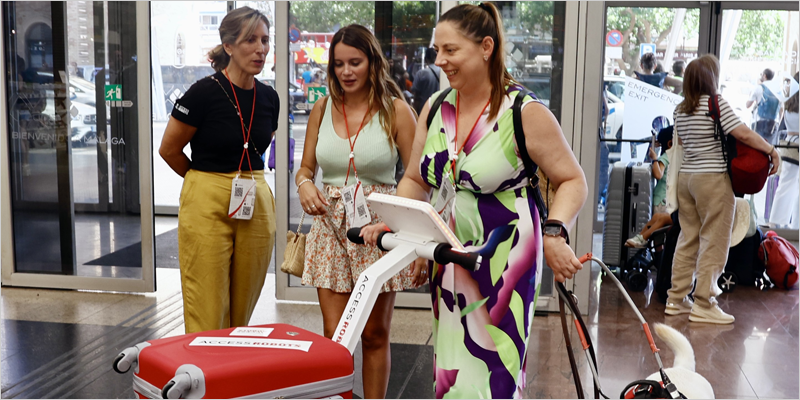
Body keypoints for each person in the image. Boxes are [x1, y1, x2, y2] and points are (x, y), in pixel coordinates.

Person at [360, 3, 587, 398]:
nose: (439, 60)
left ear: (486, 47)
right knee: (450, 367)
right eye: (437, 51)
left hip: (506, 257)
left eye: (450, 50)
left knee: (494, 370)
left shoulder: (523, 112)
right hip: (449, 250)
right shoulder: (435, 108)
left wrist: (555, 232)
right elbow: (416, 178)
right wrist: (400, 224)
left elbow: (572, 180)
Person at [295, 24, 420, 400]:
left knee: (374, 333)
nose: (346, 72)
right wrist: (304, 185)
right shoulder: (322, 107)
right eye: (338, 64)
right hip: (330, 225)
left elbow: (417, 177)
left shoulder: (396, 110)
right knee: (336, 335)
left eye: (355, 62)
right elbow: (304, 169)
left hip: (376, 228)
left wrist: (408, 233)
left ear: (372, 63)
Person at [159, 7, 278, 333]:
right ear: (228, 46)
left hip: (253, 196)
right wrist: (204, 182)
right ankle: (203, 375)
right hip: (207, 195)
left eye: (265, 40)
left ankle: (230, 372)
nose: (261, 49)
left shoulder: (269, 98)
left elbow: (259, 143)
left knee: (243, 306)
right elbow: (169, 150)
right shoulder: (203, 93)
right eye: (251, 40)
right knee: (206, 304)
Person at [666, 54, 780, 324]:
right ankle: (704, 303)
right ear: (709, 79)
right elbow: (744, 134)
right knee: (715, 241)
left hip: (687, 180)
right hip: (713, 180)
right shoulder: (716, 104)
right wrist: (771, 150)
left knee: (688, 239)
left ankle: (676, 299)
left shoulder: (681, 110)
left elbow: (681, 143)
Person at [626, 126, 674, 248]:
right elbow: (658, 174)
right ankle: (656, 259)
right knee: (659, 234)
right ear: (670, 143)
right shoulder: (667, 156)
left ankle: (641, 239)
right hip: (662, 201)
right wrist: (654, 159)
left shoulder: (673, 156)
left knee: (658, 230)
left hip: (664, 200)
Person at [770, 72, 799, 229]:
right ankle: (796, 225)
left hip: (789, 146)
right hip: (797, 145)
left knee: (786, 184)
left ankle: (775, 220)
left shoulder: (789, 103)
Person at [746, 68, 781, 144]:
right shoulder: (778, 89)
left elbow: (747, 105)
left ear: (764, 76)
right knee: (770, 148)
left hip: (759, 121)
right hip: (773, 123)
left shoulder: (759, 87)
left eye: (761, 74)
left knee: (758, 147)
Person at [411, 47, 441, 115]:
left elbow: (417, 97)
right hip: (440, 110)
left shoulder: (421, 74)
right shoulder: (443, 73)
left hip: (424, 111)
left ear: (425, 59)